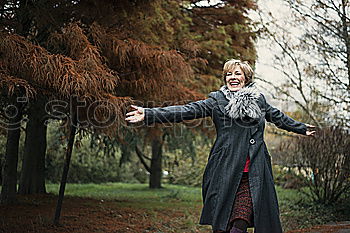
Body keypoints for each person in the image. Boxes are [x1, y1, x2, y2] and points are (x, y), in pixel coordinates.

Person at [125, 59, 316, 233]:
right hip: (225, 170)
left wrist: (301, 128)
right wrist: (149, 114)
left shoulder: (259, 100)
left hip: (253, 173)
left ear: (246, 78)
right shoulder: (217, 101)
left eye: (237, 74)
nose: (232, 77)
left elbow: (278, 117)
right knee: (222, 225)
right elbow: (186, 110)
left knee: (240, 224)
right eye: (228, 74)